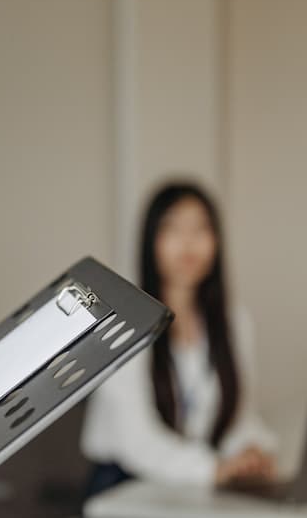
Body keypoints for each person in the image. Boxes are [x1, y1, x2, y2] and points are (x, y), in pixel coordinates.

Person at [80, 182, 277, 496]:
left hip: (195, 481)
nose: (188, 243)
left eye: (201, 229)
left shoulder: (233, 322)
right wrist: (213, 469)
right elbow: (137, 442)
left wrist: (251, 450)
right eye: (173, 229)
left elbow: (237, 414)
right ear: (150, 241)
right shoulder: (120, 322)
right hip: (125, 484)